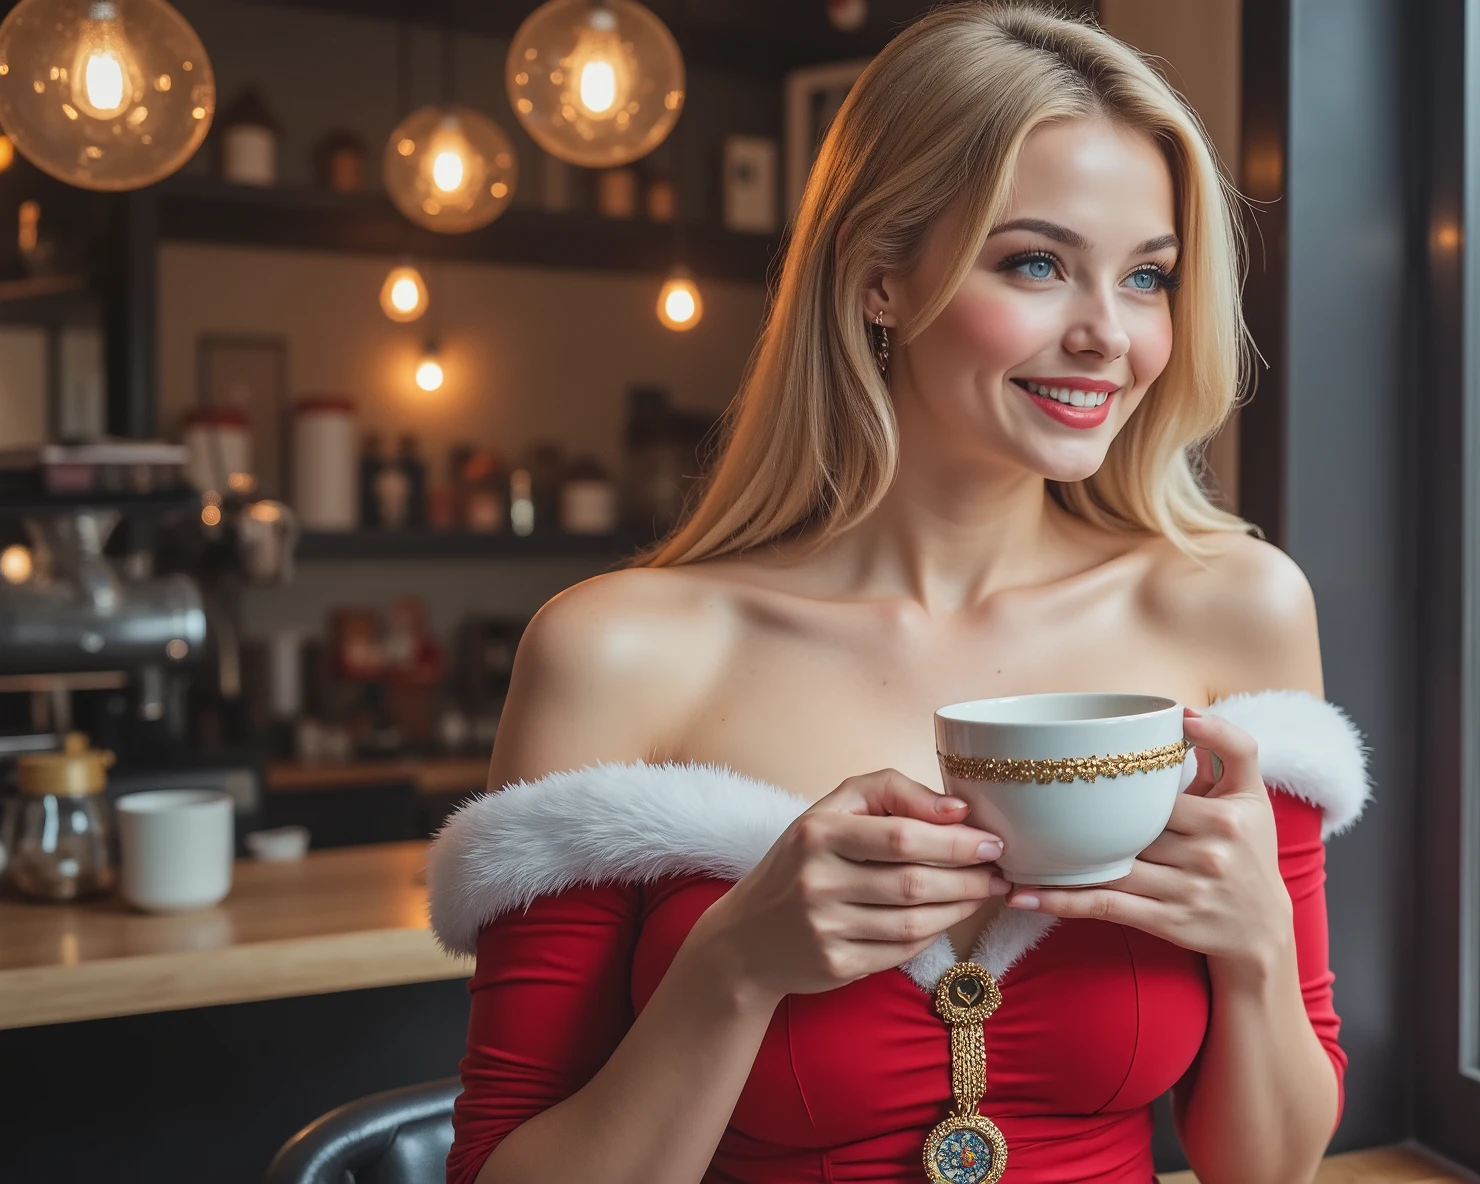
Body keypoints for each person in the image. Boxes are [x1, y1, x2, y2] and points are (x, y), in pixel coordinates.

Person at [425, 6, 1367, 1183]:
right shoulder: (619, 653)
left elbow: (1267, 1167)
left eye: (1146, 278)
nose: (1106, 335)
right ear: (880, 279)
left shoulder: (1235, 609)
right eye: (1035, 262)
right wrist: (733, 968)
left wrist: (1255, 948)